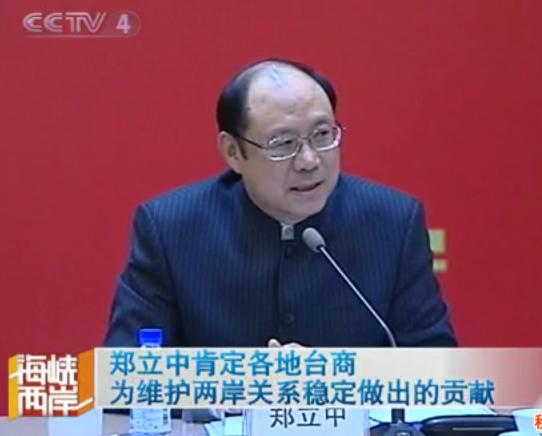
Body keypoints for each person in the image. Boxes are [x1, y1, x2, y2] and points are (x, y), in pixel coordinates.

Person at [104, 58, 456, 349]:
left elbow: (437, 370)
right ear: (233, 152)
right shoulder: (171, 230)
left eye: (322, 135)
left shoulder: (393, 222)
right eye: (282, 143)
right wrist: (250, 385)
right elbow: (122, 375)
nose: (309, 161)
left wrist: (331, 382)